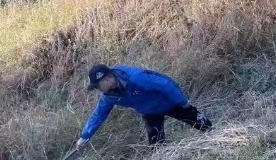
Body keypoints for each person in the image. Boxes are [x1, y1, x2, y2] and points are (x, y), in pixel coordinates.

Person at [75, 64, 212, 150]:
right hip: (150, 112)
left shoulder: (136, 78)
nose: (98, 89)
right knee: (157, 147)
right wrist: (84, 136)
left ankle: (217, 138)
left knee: (201, 123)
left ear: (107, 79)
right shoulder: (109, 95)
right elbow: (99, 114)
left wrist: (183, 102)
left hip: (168, 102)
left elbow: (165, 84)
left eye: (98, 85)